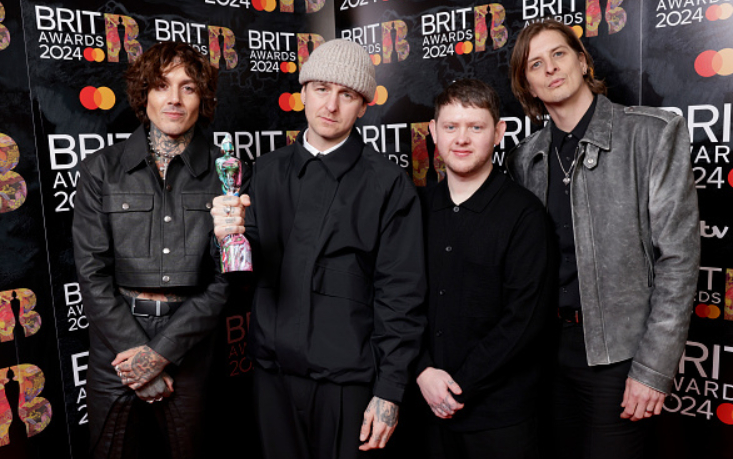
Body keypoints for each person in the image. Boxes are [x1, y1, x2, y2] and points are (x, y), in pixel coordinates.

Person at [211, 39, 426, 458]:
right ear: (303, 93)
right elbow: (239, 277)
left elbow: (402, 295)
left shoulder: (387, 184)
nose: (331, 105)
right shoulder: (265, 171)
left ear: (362, 107)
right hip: (272, 378)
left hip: (349, 385)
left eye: (347, 94)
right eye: (322, 89)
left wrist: (390, 390)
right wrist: (223, 238)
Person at [506, 20, 700, 459]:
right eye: (535, 64)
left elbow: (679, 259)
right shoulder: (526, 158)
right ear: (528, 86)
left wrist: (652, 369)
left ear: (582, 61)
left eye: (559, 54)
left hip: (620, 356)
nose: (550, 68)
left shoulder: (651, 134)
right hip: (546, 356)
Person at [73, 41, 236, 459]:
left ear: (203, 97)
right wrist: (138, 360)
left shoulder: (227, 172)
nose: (174, 99)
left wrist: (161, 353)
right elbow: (91, 272)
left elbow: (226, 280)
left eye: (188, 87)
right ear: (144, 93)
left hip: (191, 348)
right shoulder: (100, 169)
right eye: (162, 85)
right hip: (116, 351)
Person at [415, 79, 550, 459]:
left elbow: (523, 321)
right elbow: (396, 300)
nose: (461, 139)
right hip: (424, 407)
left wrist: (457, 386)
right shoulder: (414, 209)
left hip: (500, 417)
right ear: (433, 132)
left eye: (475, 127)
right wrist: (423, 371)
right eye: (451, 126)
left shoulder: (524, 215)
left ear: (498, 132)